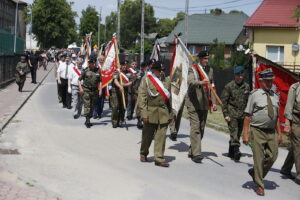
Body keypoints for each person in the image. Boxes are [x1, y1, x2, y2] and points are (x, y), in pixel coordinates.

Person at [243, 68, 282, 196]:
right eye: (266, 81)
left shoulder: (275, 96)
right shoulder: (254, 95)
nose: (269, 83)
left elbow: (275, 117)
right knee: (258, 159)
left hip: (271, 132)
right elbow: (247, 116)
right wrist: (246, 134)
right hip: (257, 131)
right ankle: (260, 185)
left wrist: (279, 133)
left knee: (273, 156)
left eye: (271, 81)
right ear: (260, 81)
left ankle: (255, 173)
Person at [185, 50, 217, 163]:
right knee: (195, 127)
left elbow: (212, 87)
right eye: (205, 59)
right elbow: (190, 81)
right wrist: (201, 82)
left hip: (204, 103)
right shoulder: (193, 68)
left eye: (208, 59)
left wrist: (214, 103)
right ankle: (197, 154)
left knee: (201, 128)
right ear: (200, 59)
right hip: (193, 102)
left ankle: (192, 150)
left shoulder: (210, 70)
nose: (207, 61)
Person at [139, 61, 172, 167]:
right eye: (159, 70)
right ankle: (143, 153)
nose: (161, 72)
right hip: (150, 111)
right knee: (147, 136)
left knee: (161, 136)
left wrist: (171, 114)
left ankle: (159, 158)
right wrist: (144, 114)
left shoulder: (166, 80)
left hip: (163, 112)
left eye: (162, 70)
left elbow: (169, 99)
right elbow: (142, 98)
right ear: (153, 70)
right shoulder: (146, 80)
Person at [221, 66, 250, 161]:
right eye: (238, 75)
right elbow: (224, 102)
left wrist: (249, 114)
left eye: (241, 75)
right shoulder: (229, 86)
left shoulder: (247, 86)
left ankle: (231, 152)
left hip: (242, 114)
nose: (240, 77)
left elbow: (248, 101)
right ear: (235, 75)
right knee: (234, 132)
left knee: (237, 134)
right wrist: (226, 115)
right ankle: (237, 151)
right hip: (232, 113)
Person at [280, 79, 300, 185]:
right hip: (296, 120)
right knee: (298, 145)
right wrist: (287, 124)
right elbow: (289, 106)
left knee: (295, 147)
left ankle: (286, 168)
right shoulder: (295, 87)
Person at [78, 58, 102, 128]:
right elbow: (79, 80)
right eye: (90, 63)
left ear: (94, 63)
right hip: (86, 90)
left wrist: (100, 90)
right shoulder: (85, 70)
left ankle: (89, 118)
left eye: (93, 63)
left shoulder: (98, 71)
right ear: (89, 63)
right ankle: (87, 120)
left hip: (94, 91)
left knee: (92, 105)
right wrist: (80, 88)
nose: (91, 64)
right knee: (87, 105)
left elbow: (100, 81)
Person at [110, 62, 132, 128]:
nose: (124, 66)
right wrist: (120, 86)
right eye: (123, 65)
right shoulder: (117, 72)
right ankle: (114, 121)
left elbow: (131, 82)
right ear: (120, 65)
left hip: (125, 91)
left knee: (123, 107)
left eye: (125, 65)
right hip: (116, 91)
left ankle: (120, 121)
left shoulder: (129, 73)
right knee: (115, 107)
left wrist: (124, 85)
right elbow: (115, 80)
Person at [136, 61, 149, 129]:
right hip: (140, 91)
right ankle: (139, 120)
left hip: (148, 92)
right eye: (144, 67)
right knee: (139, 106)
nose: (146, 68)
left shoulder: (149, 74)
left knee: (145, 106)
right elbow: (136, 82)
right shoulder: (139, 73)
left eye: (146, 66)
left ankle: (144, 120)